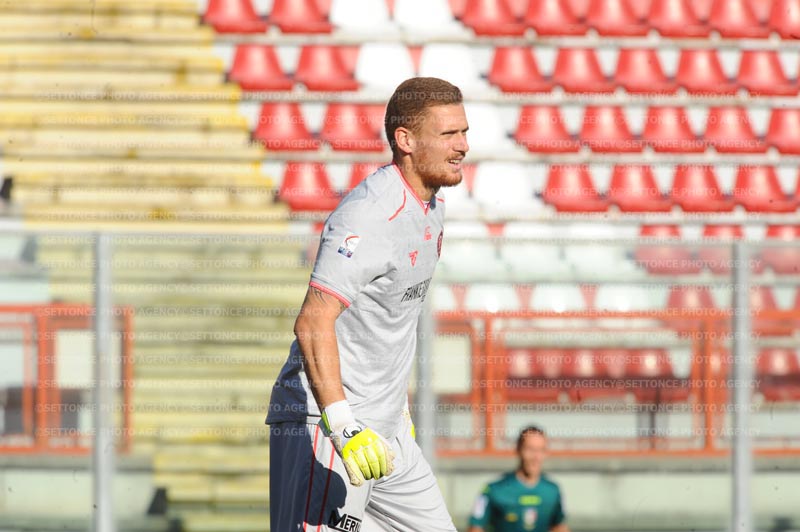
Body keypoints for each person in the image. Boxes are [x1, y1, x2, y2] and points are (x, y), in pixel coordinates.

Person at [266, 76, 469, 532]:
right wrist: (343, 426)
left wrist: (399, 409)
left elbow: (389, 320)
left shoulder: (433, 207)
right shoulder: (368, 215)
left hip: (388, 430)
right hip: (332, 427)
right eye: (448, 134)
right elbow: (312, 321)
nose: (462, 146)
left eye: (464, 132)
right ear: (406, 140)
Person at [468, 426, 570, 532]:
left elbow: (559, 526)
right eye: (530, 449)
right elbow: (475, 527)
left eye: (541, 450)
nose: (536, 457)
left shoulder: (553, 490)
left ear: (546, 453)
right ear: (518, 449)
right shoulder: (494, 490)